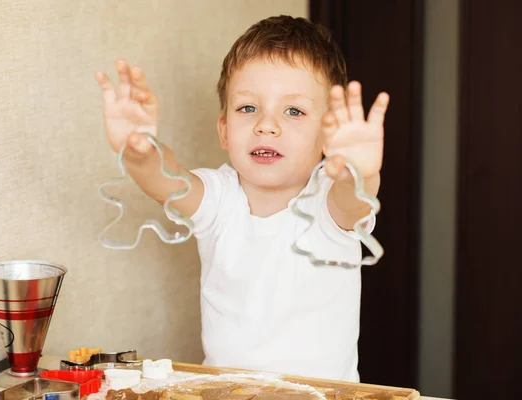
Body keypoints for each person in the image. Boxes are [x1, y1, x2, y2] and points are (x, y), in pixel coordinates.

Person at [95, 15, 389, 382]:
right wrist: (137, 149)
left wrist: (358, 170)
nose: (267, 125)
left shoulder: (328, 203)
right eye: (248, 108)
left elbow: (354, 198)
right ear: (224, 130)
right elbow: (164, 179)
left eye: (294, 111)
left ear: (327, 135)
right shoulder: (220, 199)